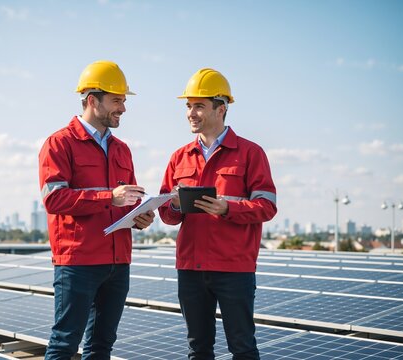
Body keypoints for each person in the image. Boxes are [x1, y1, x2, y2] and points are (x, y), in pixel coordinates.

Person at [39, 60, 155, 360]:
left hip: (118, 261)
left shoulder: (122, 149)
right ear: (93, 100)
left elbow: (125, 198)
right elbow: (54, 200)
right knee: (64, 344)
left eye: (124, 101)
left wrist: (141, 216)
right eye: (117, 100)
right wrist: (108, 198)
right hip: (78, 262)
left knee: (102, 347)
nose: (123, 109)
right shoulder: (59, 144)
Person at [159, 68, 277, 360]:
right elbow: (167, 215)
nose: (190, 113)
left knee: (243, 348)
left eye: (198, 106)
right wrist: (173, 204)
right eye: (188, 106)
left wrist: (228, 208)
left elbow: (267, 206)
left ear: (221, 109)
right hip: (190, 267)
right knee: (198, 349)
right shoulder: (179, 157)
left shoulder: (250, 153)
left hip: (234, 268)